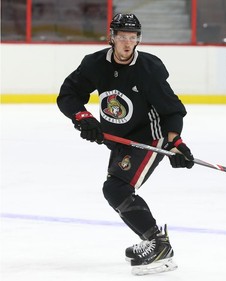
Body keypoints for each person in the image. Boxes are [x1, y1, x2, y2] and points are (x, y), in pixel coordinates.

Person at [57, 13, 194, 275]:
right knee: (115, 191)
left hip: (147, 138)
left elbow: (171, 110)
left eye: (133, 38)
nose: (128, 43)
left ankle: (159, 245)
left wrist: (175, 142)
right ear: (112, 37)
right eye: (122, 37)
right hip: (119, 140)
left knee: (117, 189)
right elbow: (69, 94)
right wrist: (83, 118)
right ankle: (152, 240)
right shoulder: (95, 64)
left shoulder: (148, 69)